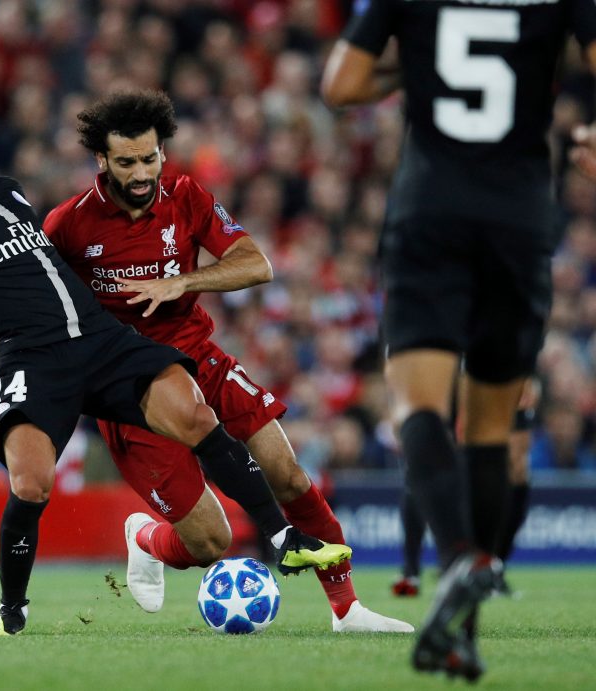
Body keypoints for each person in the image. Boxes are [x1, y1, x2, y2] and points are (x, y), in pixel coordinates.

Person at [0, 92, 352, 637]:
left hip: (97, 340)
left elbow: (30, 280)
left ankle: (279, 537)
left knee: (195, 414)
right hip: (31, 360)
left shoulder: (10, 192)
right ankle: (11, 612)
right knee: (32, 483)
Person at [38, 90, 410, 633]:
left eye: (150, 157)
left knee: (287, 474)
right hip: (128, 389)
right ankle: (145, 538)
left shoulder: (187, 196)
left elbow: (256, 265)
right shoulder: (69, 223)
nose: (142, 172)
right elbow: (23, 292)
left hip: (199, 358)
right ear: (102, 161)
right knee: (211, 541)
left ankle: (348, 609)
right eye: (127, 162)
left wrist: (184, 281)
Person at [322, 2, 596, 679]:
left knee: (415, 404)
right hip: (522, 216)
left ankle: (459, 557)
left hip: (432, 211)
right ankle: (462, 628)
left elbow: (341, 85)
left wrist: (415, 66)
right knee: (493, 425)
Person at [394, 381, 537, 597]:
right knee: (423, 456)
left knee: (517, 468)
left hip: (495, 366)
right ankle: (411, 571)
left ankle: (493, 565)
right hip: (446, 367)